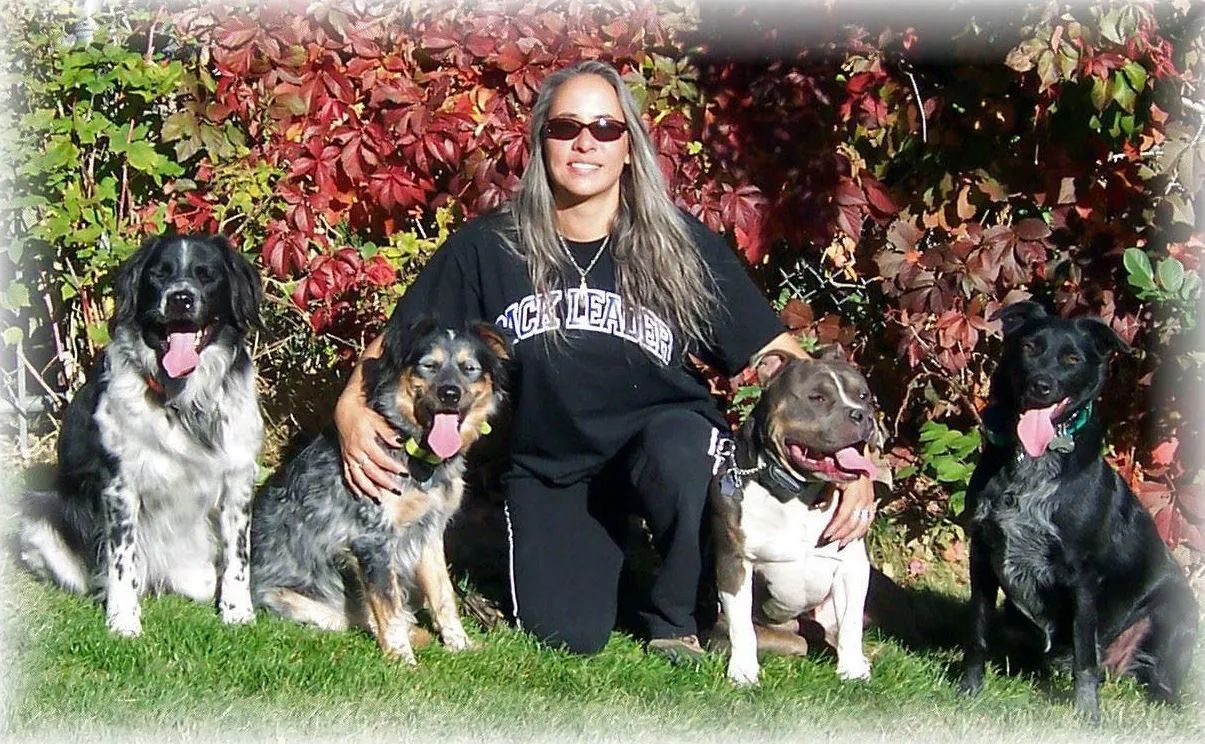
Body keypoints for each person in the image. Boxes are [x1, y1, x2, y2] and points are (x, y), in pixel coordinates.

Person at [333, 60, 876, 657]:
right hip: (554, 465)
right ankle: (636, 578)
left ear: (628, 146)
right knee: (566, 633)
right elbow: (394, 345)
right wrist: (350, 411)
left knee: (683, 449)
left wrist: (853, 463)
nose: (585, 141)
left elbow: (784, 359)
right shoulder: (489, 247)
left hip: (664, 446)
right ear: (542, 142)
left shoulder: (678, 242)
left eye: (605, 128)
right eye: (565, 127)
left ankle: (681, 620)